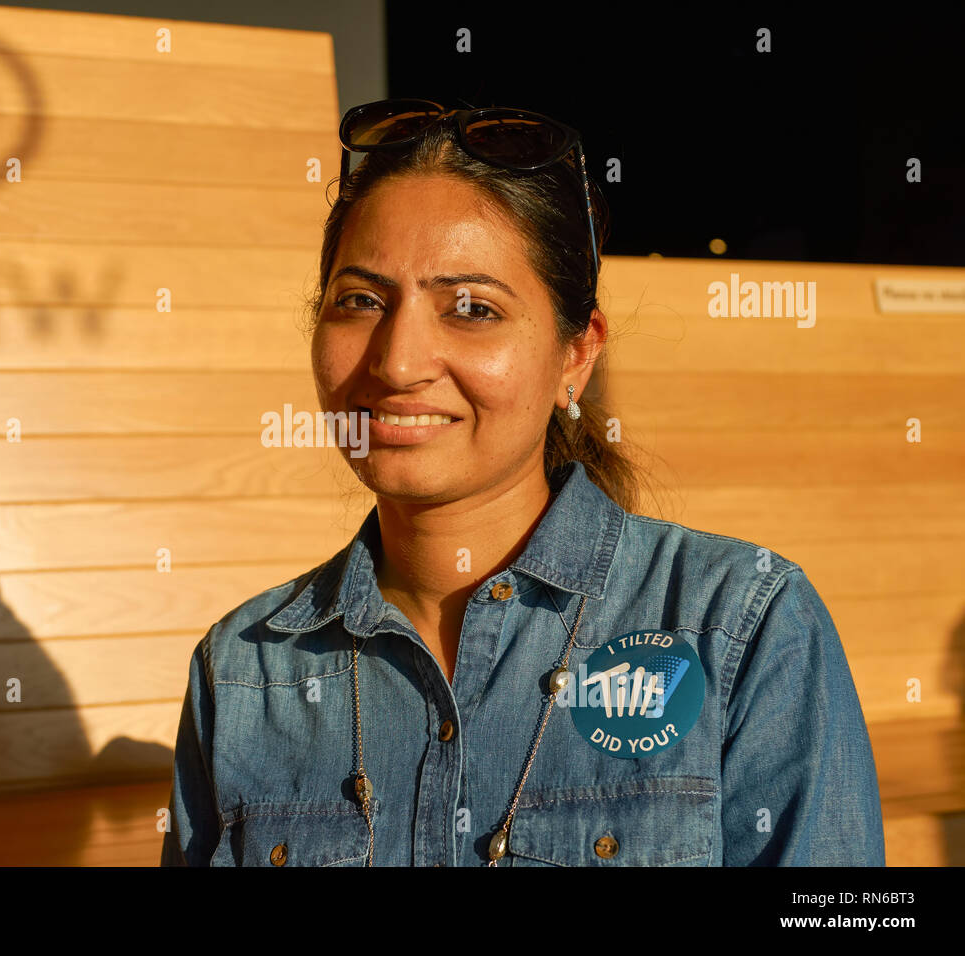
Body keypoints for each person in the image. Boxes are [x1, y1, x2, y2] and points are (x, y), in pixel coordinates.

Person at [160, 99, 884, 866]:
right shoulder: (242, 672)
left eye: (472, 308)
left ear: (576, 354)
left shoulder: (739, 627)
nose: (399, 362)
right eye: (361, 301)